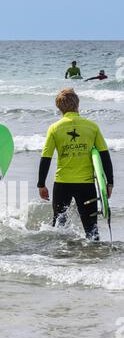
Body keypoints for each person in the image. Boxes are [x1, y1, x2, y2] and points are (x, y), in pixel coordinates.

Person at [37, 89, 114, 240]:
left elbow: (46, 157)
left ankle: (59, 259)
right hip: (86, 184)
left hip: (62, 183)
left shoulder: (54, 128)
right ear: (77, 104)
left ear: (59, 107)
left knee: (58, 227)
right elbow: (104, 155)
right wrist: (109, 183)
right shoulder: (92, 127)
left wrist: (41, 184)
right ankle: (93, 259)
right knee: (92, 230)